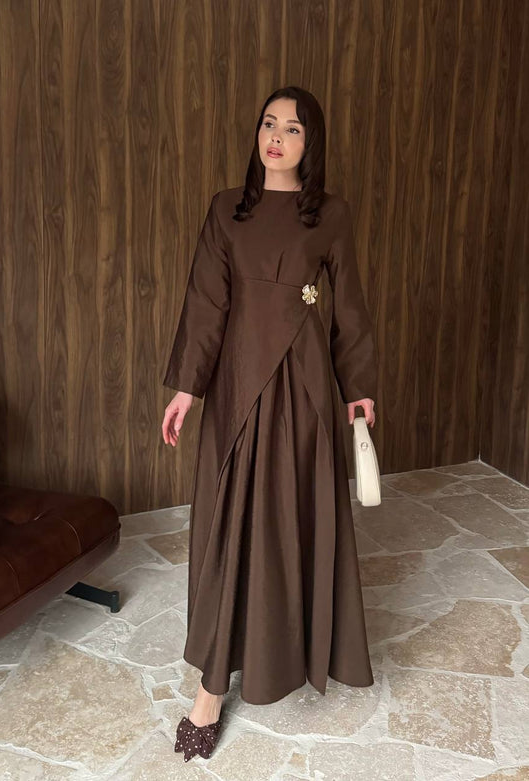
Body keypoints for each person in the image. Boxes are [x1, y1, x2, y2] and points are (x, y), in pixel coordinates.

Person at [161, 85, 378, 762]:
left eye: (292, 128)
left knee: (290, 515)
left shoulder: (330, 214)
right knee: (231, 523)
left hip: (304, 381)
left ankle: (290, 651)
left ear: (311, 143)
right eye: (268, 123)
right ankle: (211, 687)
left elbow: (349, 307)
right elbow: (206, 301)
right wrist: (187, 386)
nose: (276, 137)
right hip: (237, 381)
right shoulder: (226, 208)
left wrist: (357, 389)